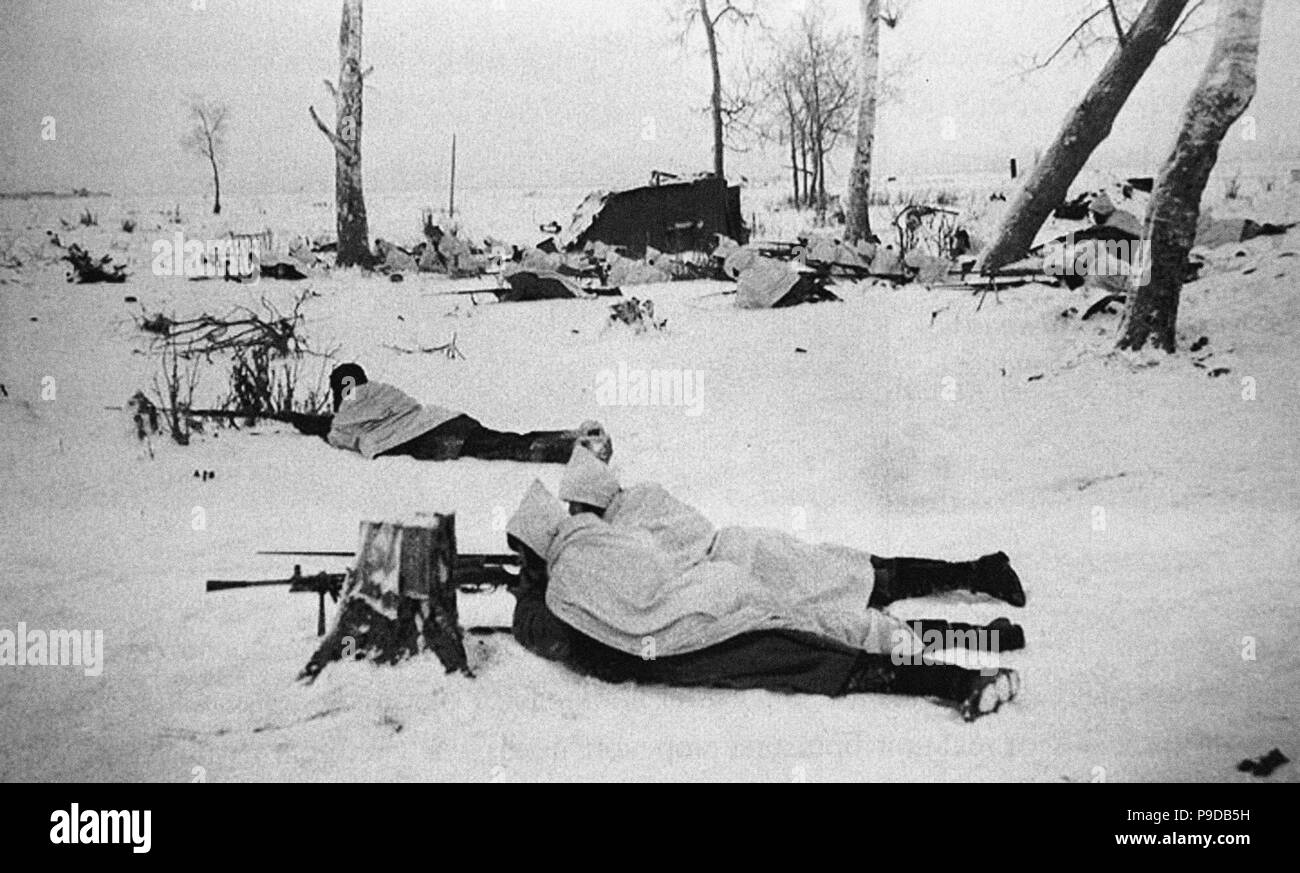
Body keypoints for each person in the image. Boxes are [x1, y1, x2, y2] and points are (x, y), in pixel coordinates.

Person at [505, 479, 1022, 721]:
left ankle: (960, 677)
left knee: (827, 654)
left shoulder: (568, 573)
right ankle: (978, 636)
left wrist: (528, 593)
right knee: (844, 615)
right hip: (726, 583)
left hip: (702, 629)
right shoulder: (606, 535)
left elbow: (554, 634)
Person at [559, 444, 1027, 619]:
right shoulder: (645, 494)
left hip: (749, 564)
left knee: (866, 587)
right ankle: (977, 570)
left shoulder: (626, 525)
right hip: (749, 543)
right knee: (861, 568)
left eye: (577, 506)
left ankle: (979, 573)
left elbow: (665, 572)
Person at [293, 363, 613, 463]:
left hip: (435, 439)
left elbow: (343, 436)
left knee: (510, 449)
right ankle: (575, 436)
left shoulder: (343, 422)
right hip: (444, 418)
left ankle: (577, 450)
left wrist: (312, 424)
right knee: (510, 440)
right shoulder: (383, 390)